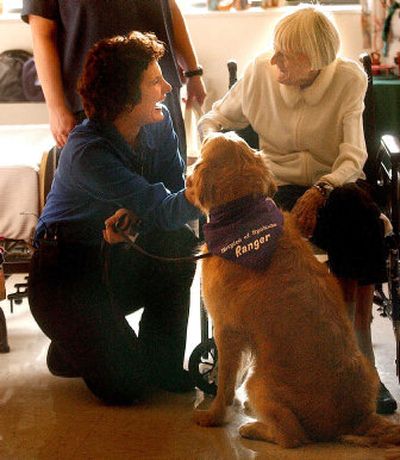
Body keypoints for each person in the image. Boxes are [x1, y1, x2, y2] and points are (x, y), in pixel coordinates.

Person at [198, 5, 397, 415]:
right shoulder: (258, 75)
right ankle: (293, 356)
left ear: (316, 59)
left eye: (286, 54)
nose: (274, 61)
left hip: (334, 182)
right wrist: (240, 158)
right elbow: (212, 121)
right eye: (275, 51)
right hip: (275, 186)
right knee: (281, 224)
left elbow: (353, 154)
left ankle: (361, 360)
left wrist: (322, 187)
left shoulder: (347, 80)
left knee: (357, 216)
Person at [28, 31, 202, 405]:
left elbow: (171, 193)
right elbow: (163, 206)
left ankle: (162, 361)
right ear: (124, 97)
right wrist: (218, 185)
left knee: (180, 243)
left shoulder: (159, 122)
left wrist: (149, 210)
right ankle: (73, 341)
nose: (168, 87)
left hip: (114, 257)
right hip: (65, 275)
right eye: (155, 81)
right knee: (129, 388)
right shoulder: (87, 150)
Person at [21, 0, 206, 158]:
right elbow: (43, 34)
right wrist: (56, 108)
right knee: (112, 191)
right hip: (95, 107)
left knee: (169, 186)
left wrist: (193, 72)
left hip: (160, 100)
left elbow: (170, 8)